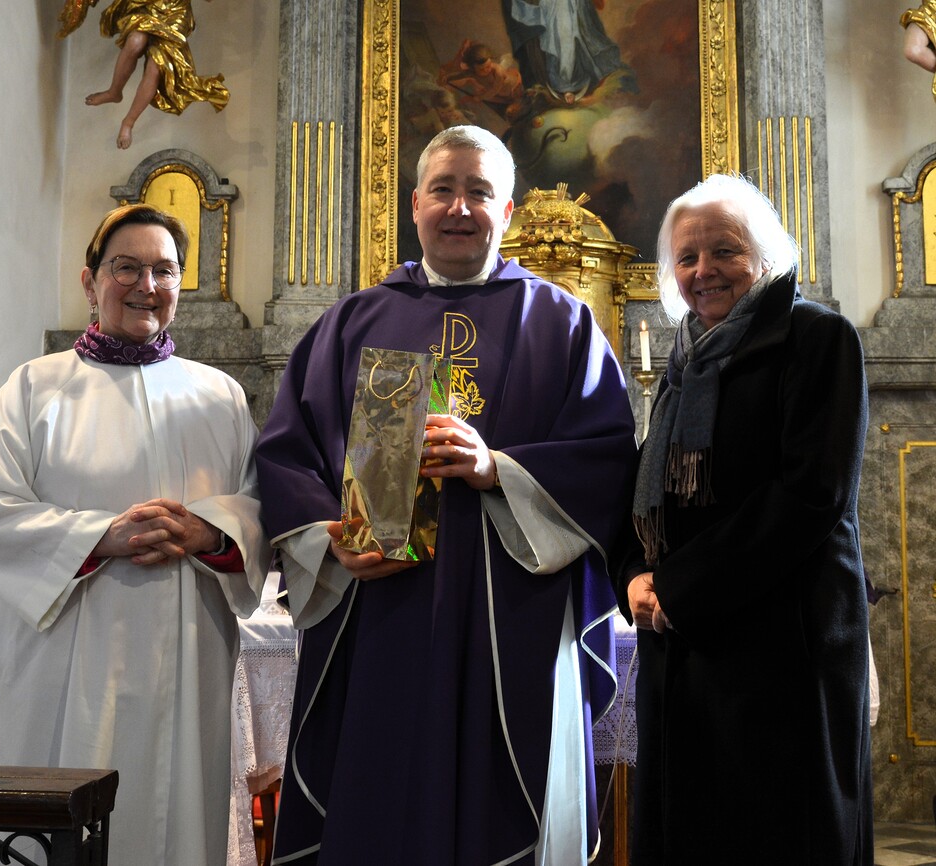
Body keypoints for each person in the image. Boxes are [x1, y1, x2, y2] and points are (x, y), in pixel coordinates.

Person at [255, 125, 638, 865]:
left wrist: (497, 467)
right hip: (378, 611)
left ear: (507, 210)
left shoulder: (561, 322)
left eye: (479, 192)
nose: (460, 208)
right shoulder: (350, 322)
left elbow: (606, 459)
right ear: (416, 204)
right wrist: (326, 540)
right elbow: (285, 454)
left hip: (511, 615)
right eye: (443, 190)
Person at [0, 204, 271, 866]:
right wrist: (101, 537)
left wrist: (207, 530)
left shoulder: (219, 397)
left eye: (164, 270)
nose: (146, 285)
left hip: (188, 658)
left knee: (176, 820)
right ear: (90, 281)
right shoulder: (36, 388)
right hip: (66, 661)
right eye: (126, 267)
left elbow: (260, 510)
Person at [614, 174, 873, 865]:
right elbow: (647, 495)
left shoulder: (816, 337)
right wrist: (635, 574)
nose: (704, 270)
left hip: (783, 646)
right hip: (686, 647)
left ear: (766, 257)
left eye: (724, 251)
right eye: (687, 257)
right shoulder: (685, 360)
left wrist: (680, 588)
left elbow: (811, 494)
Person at [58, 0, 230, 149]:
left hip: (175, 12)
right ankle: (114, 92)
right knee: (135, 41)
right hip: (147, 6)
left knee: (157, 65)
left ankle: (128, 122)